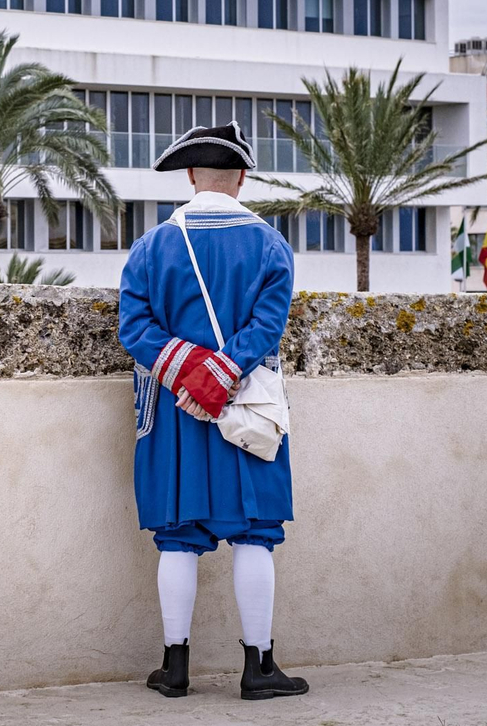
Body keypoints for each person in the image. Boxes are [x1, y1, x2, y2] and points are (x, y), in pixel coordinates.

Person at [117, 121, 306, 701]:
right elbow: (267, 327)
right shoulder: (272, 246)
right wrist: (220, 375)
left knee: (177, 537)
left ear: (192, 177)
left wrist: (193, 373)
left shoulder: (151, 246)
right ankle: (260, 668)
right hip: (243, 405)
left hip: (174, 410)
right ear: (242, 178)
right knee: (255, 535)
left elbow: (135, 329)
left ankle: (174, 668)